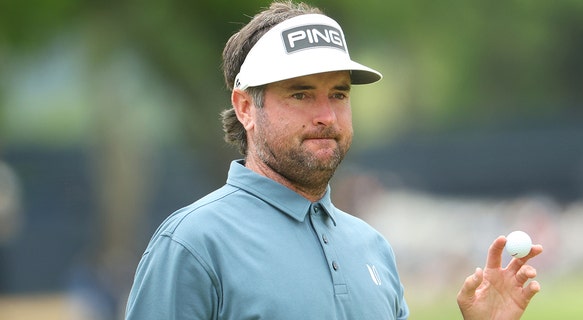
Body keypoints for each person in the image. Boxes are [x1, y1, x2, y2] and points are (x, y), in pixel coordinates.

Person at [125, 1, 543, 319]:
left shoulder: (372, 247)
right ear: (245, 108)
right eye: (301, 93)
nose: (326, 114)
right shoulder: (194, 245)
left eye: (339, 94)